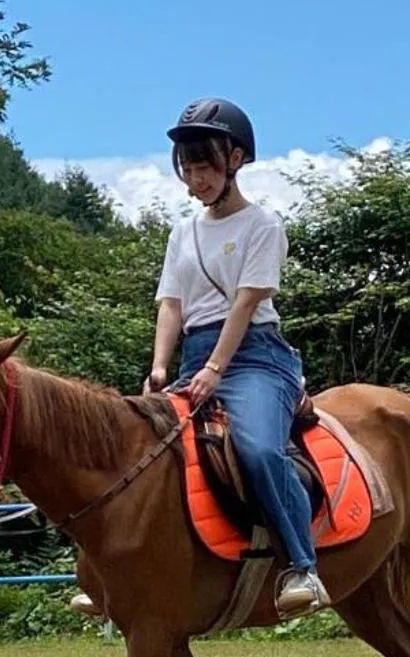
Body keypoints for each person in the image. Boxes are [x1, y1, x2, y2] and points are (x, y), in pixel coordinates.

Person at [73, 97, 328, 621]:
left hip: (256, 358)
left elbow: (245, 304)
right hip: (192, 357)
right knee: (128, 450)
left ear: (234, 160)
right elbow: (171, 304)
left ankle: (303, 566)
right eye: (187, 169)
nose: (196, 179)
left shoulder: (262, 226)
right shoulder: (182, 233)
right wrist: (159, 367)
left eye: (205, 165)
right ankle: (104, 577)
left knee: (258, 450)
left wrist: (214, 369)